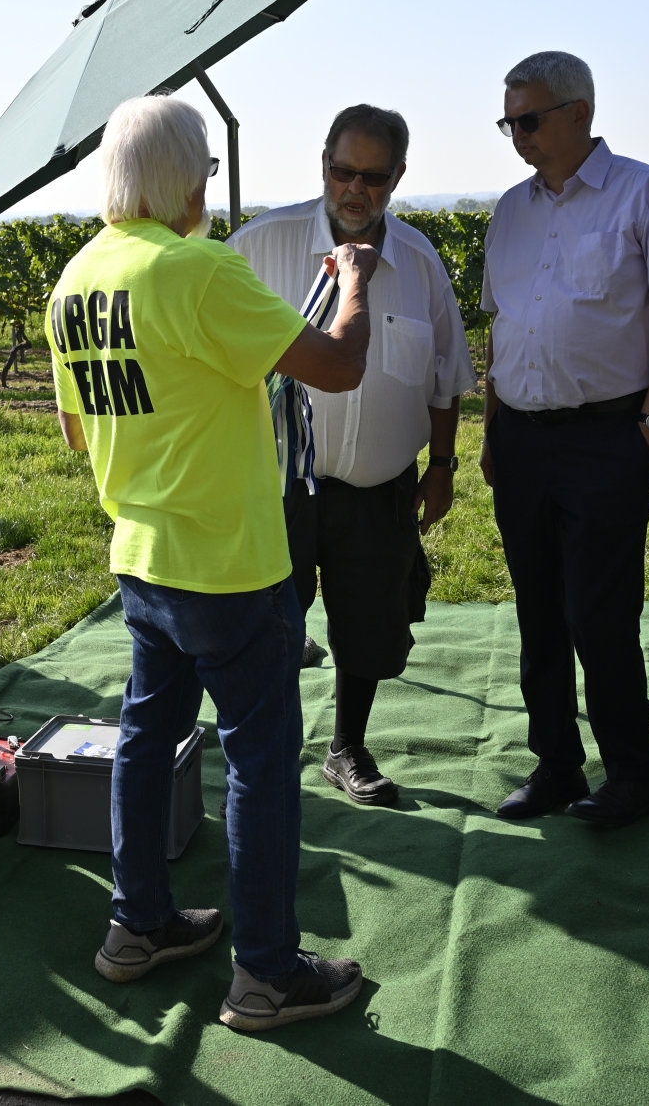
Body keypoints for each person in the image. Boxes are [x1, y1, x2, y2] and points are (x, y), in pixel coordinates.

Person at [53, 94, 377, 1033]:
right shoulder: (198, 269)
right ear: (184, 178)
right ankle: (267, 973)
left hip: (140, 554)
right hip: (231, 562)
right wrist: (353, 281)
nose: (207, 186)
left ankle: (137, 924)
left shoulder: (76, 278)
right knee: (260, 763)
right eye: (205, 170)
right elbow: (339, 365)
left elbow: (77, 429)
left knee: (145, 738)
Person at [478, 51, 649, 829]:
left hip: (606, 437)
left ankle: (634, 776)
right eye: (509, 122)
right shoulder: (510, 212)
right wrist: (492, 426)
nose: (518, 135)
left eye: (528, 119)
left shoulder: (647, 197)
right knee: (538, 609)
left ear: (578, 112)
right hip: (520, 439)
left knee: (599, 614)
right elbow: (502, 325)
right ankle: (556, 765)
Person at [229, 104, 476, 808]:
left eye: (374, 177)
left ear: (399, 176)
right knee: (266, 624)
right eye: (344, 172)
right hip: (276, 484)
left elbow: (445, 377)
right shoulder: (258, 246)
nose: (356, 190)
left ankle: (347, 747)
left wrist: (443, 466)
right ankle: (263, 753)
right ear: (324, 165)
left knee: (369, 624)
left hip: (378, 486)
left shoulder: (419, 263)